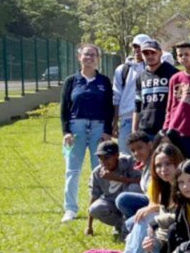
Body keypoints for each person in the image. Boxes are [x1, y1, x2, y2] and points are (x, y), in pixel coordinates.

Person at [99, 142, 185, 253]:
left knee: (144, 219)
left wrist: (153, 221)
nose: (163, 169)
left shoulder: (186, 183)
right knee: (138, 222)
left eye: (168, 164)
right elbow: (159, 206)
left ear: (178, 162)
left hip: (185, 239)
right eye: (158, 166)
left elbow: (182, 215)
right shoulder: (163, 185)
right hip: (167, 236)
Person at [60, 43, 115, 223]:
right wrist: (66, 131)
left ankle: (100, 205)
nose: (89, 58)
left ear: (98, 59)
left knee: (99, 169)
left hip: (99, 128)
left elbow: (109, 108)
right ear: (79, 57)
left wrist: (107, 131)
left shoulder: (104, 81)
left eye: (93, 55)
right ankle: (70, 209)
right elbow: (64, 108)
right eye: (86, 55)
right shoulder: (71, 81)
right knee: (72, 170)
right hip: (76, 128)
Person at [161, 41, 190, 163]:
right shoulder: (175, 78)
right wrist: (166, 129)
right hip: (175, 131)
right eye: (180, 55)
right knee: (176, 168)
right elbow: (170, 106)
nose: (183, 57)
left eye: (187, 54)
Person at [84, 140, 141, 237]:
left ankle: (135, 224)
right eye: (100, 158)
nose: (103, 162)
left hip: (129, 203)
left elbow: (143, 182)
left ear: (117, 155)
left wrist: (116, 178)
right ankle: (122, 226)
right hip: (112, 203)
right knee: (94, 208)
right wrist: (89, 226)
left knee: (134, 188)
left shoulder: (129, 162)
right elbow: (94, 197)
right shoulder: (97, 173)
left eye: (107, 158)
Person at [132, 39, 178, 139]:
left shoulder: (173, 74)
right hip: (145, 130)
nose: (150, 56)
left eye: (153, 52)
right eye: (146, 53)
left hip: (167, 129)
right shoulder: (140, 77)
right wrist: (134, 131)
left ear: (160, 53)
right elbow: (137, 105)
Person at [112, 35, 149, 155]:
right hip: (127, 120)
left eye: (142, 47)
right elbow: (116, 97)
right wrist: (115, 122)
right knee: (126, 157)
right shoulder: (122, 70)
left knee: (149, 157)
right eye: (135, 46)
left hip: (148, 119)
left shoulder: (153, 68)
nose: (138, 49)